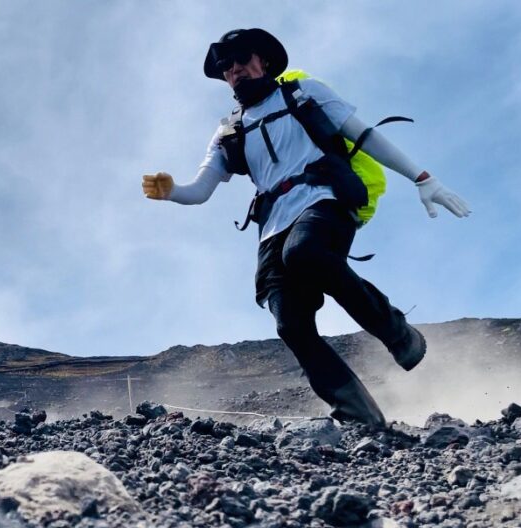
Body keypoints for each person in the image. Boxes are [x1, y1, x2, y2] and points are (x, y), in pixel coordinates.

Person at [141, 29, 470, 426]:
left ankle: (399, 334)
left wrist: (423, 178)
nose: (235, 70)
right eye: (226, 66)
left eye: (242, 58)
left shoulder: (303, 93)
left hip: (324, 201)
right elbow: (201, 189)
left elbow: (362, 135)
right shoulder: (229, 131)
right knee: (290, 322)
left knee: (304, 253)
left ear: (263, 60)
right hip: (272, 227)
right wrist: (172, 190)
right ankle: (360, 415)